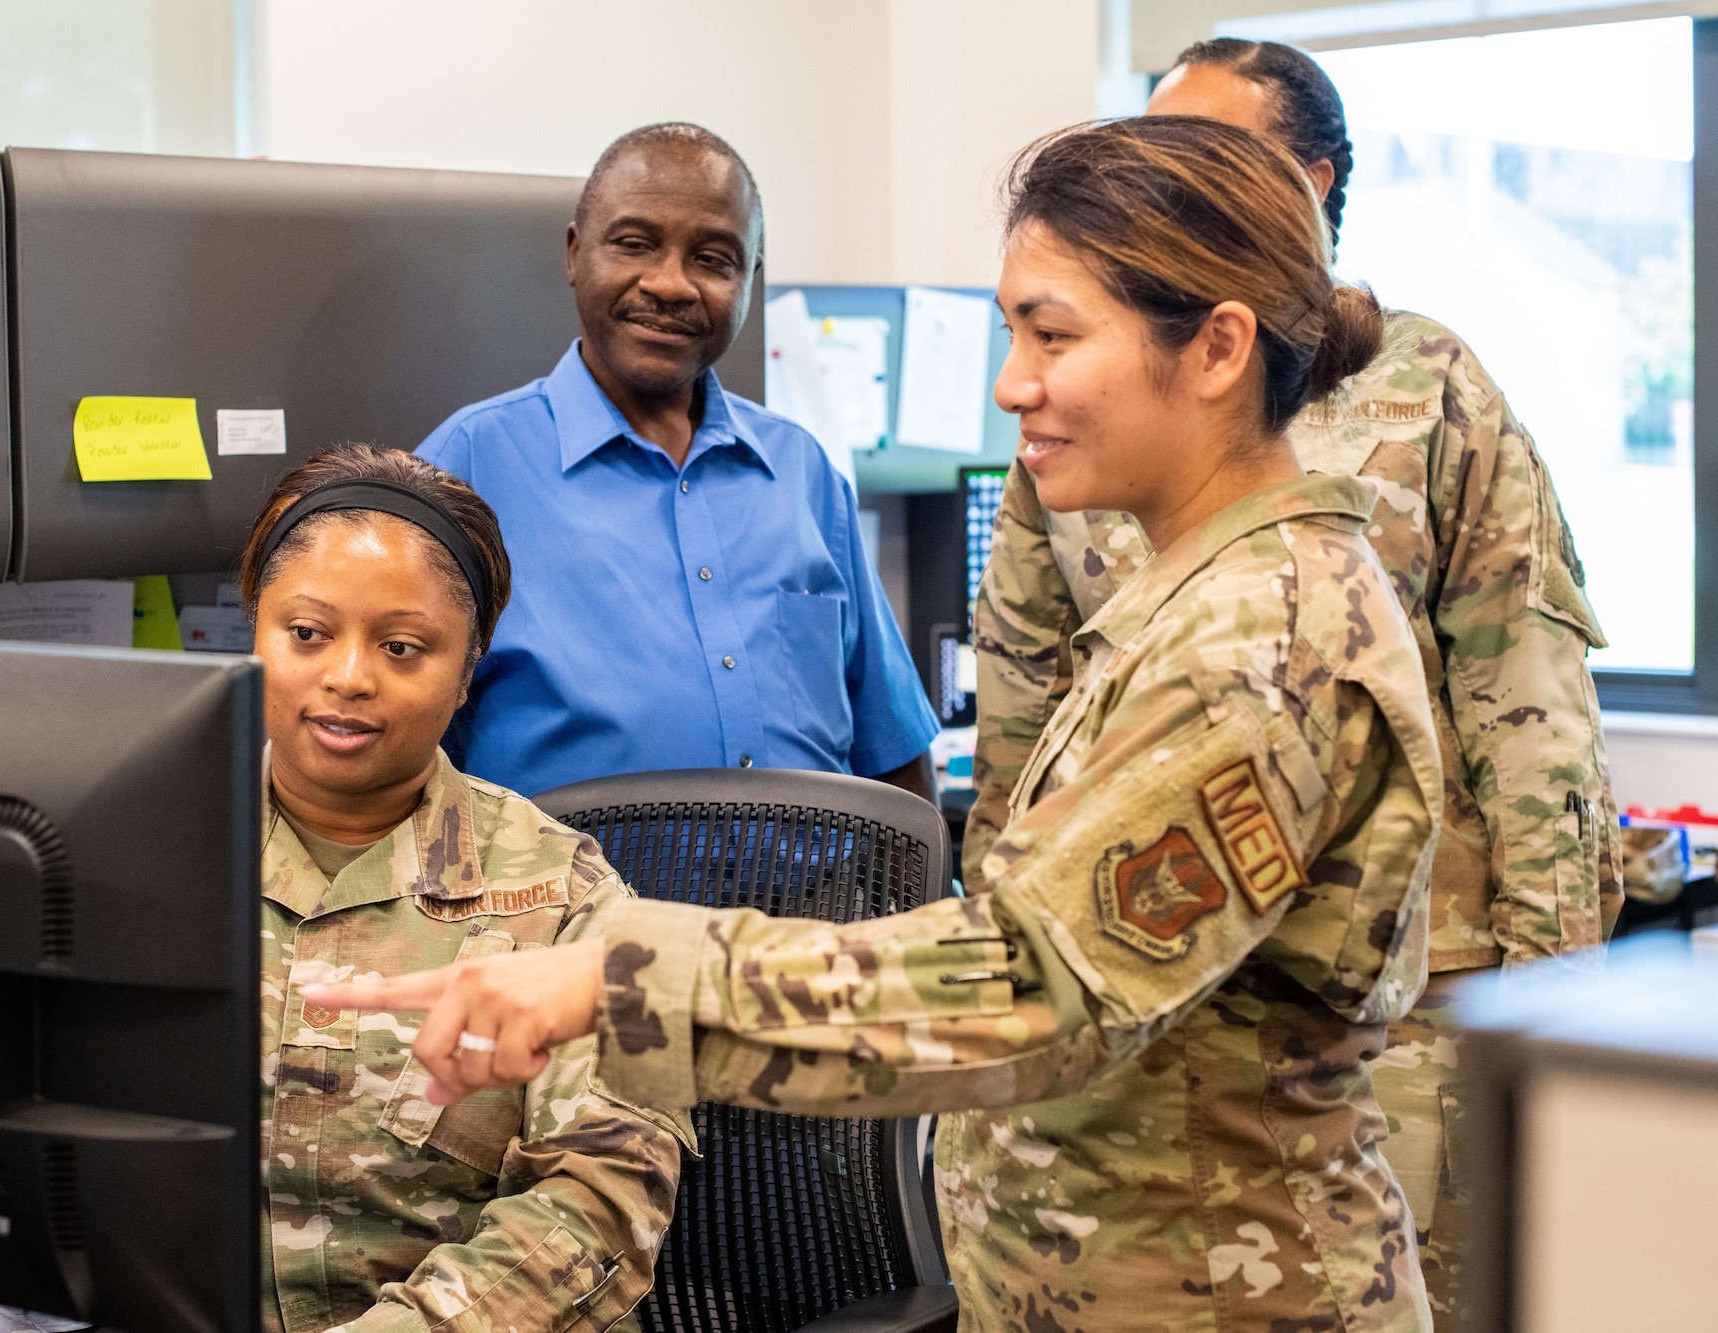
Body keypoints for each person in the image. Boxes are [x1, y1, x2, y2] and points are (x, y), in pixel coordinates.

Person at [307, 118, 1445, 1333]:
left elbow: (1031, 985)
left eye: (1051, 334)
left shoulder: (1257, 644)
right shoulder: (1195, 606)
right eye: (1011, 332)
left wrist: (618, 973)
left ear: (1215, 348)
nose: (1011, 382)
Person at [963, 40, 1619, 1328]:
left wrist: (1550, 1035)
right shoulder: (1087, 400)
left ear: (1310, 185)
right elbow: (1021, 698)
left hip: (1404, 992)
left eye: (1217, 154)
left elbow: (1529, 720)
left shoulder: (1428, 387)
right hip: (1148, 996)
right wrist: (1002, 956)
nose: (1175, 183)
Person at [244, 443, 685, 1333]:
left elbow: (604, 1192)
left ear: (467, 669)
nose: (349, 676)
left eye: (402, 647)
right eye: (307, 633)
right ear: (252, 629)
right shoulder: (136, 853)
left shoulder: (565, 894)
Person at [416, 122, 939, 801]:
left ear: (749, 280)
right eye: (635, 244)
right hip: (569, 907)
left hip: (808, 908)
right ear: (575, 254)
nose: (670, 284)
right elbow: (389, 751)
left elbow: (892, 752)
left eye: (713, 259)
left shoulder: (802, 472)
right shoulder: (467, 467)